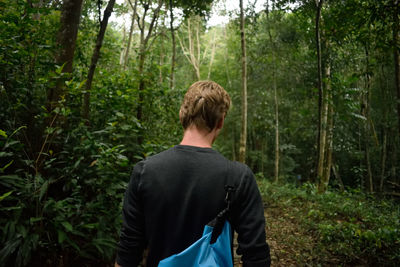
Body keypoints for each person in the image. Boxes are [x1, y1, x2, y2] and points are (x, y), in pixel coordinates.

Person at [115, 81, 270, 267]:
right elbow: (256, 255)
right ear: (220, 122)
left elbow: (128, 250)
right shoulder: (239, 176)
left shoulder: (144, 172)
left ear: (182, 116)